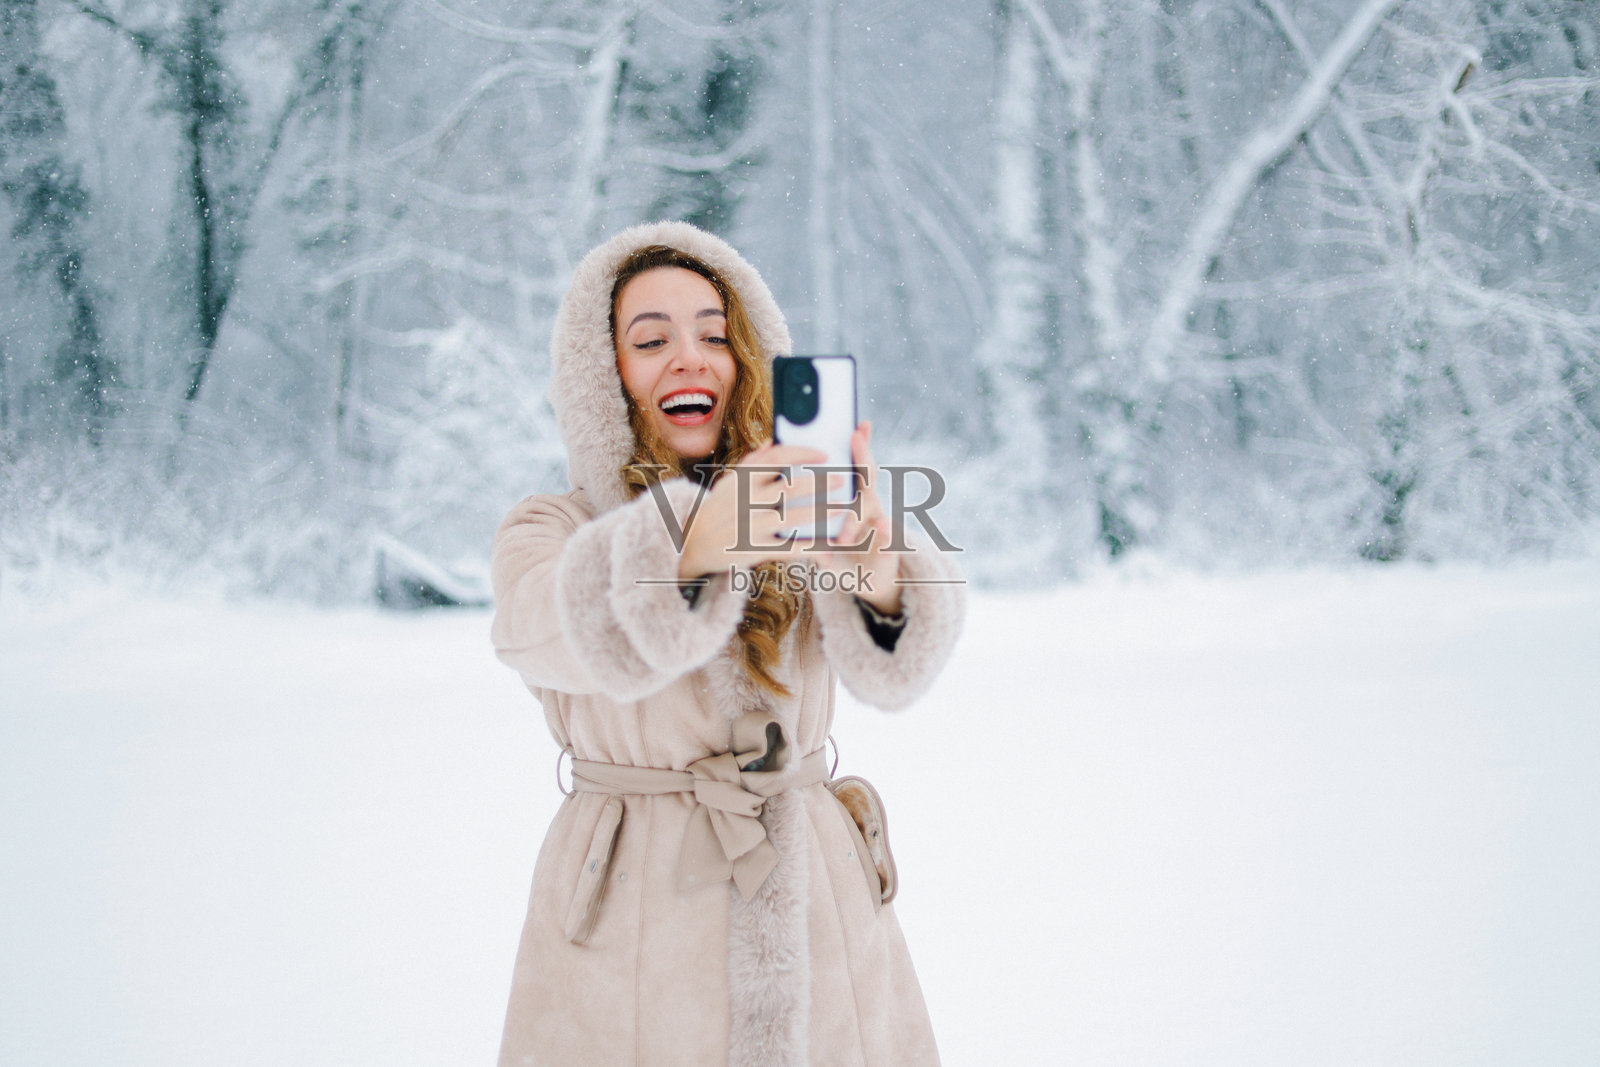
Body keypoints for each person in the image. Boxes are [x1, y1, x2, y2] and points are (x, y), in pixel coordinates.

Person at [490, 221, 964, 1067]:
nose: (690, 358)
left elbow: (897, 669)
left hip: (819, 900)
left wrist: (875, 568)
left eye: (715, 334)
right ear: (603, 377)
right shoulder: (553, 528)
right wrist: (700, 540)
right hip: (629, 911)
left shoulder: (798, 514)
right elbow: (536, 627)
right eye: (651, 339)